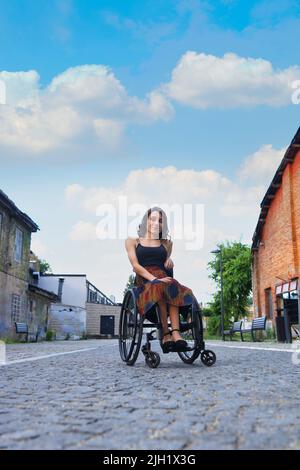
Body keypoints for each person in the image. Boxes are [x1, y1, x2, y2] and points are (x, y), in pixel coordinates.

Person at [125, 206, 200, 353]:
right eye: (152, 219)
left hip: (164, 279)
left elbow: (165, 264)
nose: (156, 223)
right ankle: (166, 333)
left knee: (175, 287)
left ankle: (176, 333)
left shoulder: (167, 243)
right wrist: (153, 279)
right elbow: (135, 266)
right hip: (144, 281)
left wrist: (169, 260)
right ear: (145, 221)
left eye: (160, 221)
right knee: (161, 286)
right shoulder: (133, 241)